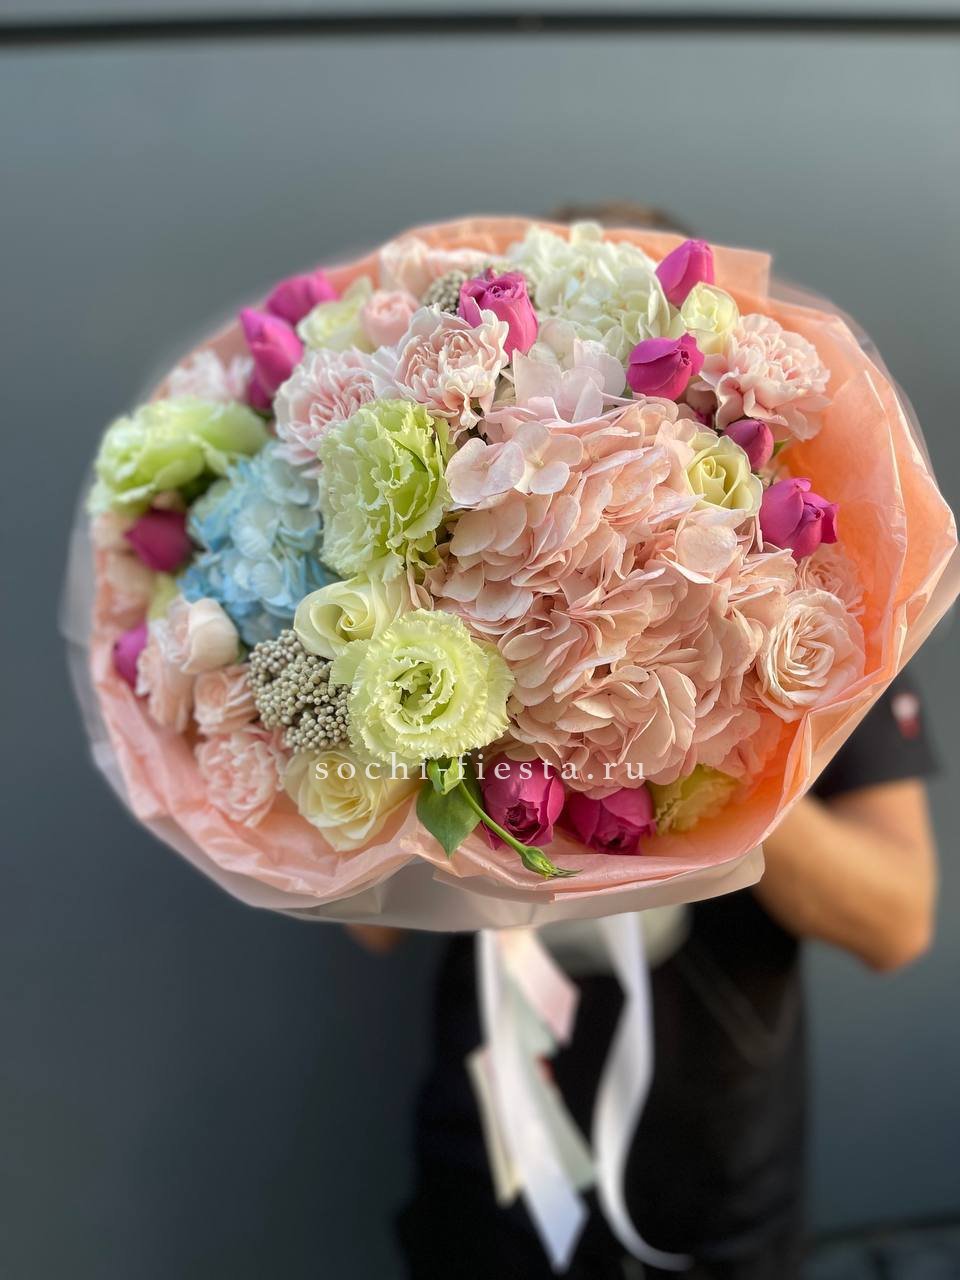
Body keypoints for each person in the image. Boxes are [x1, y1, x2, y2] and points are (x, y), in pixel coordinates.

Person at [353, 208, 941, 1280]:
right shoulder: (440, 580)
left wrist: (701, 741)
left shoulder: (821, 609)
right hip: (481, 1171)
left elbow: (896, 920)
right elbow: (368, 927)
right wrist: (454, 710)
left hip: (719, 1189)